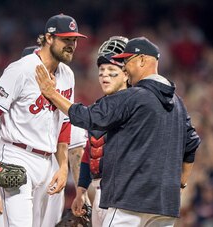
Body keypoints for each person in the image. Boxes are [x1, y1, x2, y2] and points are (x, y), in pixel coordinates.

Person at [35, 36, 201, 227]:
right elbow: (191, 145)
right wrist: (180, 185)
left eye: (126, 62)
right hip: (164, 207)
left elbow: (87, 117)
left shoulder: (132, 96)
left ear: (142, 60)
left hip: (128, 203)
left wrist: (51, 94)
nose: (125, 68)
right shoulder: (178, 103)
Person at [0, 14, 87, 227]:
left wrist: (63, 166)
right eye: (66, 40)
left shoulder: (67, 74)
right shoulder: (22, 68)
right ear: (49, 38)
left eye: (74, 40)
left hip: (47, 163)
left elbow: (65, 123)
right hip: (16, 156)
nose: (72, 45)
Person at [70, 36, 129, 227]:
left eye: (112, 70)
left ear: (127, 73)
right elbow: (91, 150)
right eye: (102, 70)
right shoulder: (99, 107)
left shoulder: (136, 105)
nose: (104, 75)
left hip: (123, 193)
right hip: (100, 193)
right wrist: (81, 190)